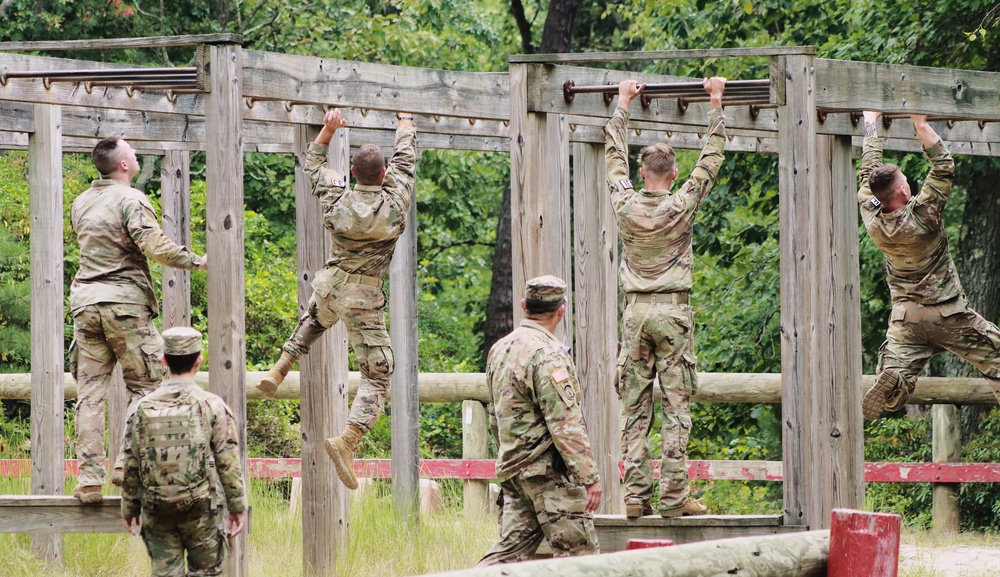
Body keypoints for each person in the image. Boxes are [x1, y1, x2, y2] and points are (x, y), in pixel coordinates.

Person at [255, 108, 416, 490]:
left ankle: (279, 368)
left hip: (330, 285)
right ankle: (348, 440)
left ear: (354, 174)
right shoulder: (395, 205)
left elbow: (312, 162)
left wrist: (328, 130)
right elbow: (406, 160)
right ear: (384, 174)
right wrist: (405, 121)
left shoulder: (336, 199)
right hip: (364, 296)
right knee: (378, 376)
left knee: (315, 318)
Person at [605, 77, 727, 519]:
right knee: (677, 407)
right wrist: (715, 103)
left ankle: (635, 497)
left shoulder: (624, 203)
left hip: (635, 315)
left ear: (643, 174)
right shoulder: (681, 204)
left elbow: (613, 157)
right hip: (674, 313)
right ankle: (675, 498)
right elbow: (710, 162)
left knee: (634, 408)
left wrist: (622, 104)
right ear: (673, 175)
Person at [69, 136, 208, 503]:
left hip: (85, 305)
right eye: (130, 150)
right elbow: (154, 246)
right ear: (124, 165)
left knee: (90, 395)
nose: (135, 152)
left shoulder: (81, 202)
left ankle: (88, 479)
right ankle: (125, 463)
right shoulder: (131, 199)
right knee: (147, 385)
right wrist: (196, 261)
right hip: (124, 305)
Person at [858, 111, 1000, 419]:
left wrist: (871, 122)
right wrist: (920, 123)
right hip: (948, 315)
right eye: (906, 182)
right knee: (996, 358)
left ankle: (895, 378)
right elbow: (943, 165)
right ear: (905, 191)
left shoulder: (872, 219)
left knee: (900, 370)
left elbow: (868, 174)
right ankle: (896, 375)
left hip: (906, 321)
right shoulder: (924, 216)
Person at [477, 276, 602, 565]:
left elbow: (496, 413)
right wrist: (589, 477)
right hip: (548, 475)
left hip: (513, 469)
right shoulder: (549, 354)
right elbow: (565, 422)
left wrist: (508, 456)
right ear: (561, 311)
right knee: (579, 560)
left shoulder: (500, 349)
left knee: (507, 557)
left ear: (524, 306)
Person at [120, 326, 247, 577]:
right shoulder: (212, 405)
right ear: (199, 361)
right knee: (206, 572)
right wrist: (237, 506)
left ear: (164, 360)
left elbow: (131, 462)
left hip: (156, 509)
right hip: (201, 508)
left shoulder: (141, 408)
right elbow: (227, 461)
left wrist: (130, 508)